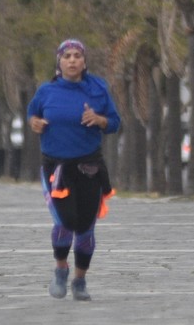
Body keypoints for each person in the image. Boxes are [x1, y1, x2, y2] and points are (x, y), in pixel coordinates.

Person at [28, 38, 121, 302]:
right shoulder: (46, 91)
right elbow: (32, 114)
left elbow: (115, 123)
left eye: (77, 56)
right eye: (66, 55)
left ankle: (80, 280)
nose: (72, 60)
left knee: (85, 227)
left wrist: (99, 119)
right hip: (56, 167)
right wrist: (35, 123)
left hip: (89, 166)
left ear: (84, 61)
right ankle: (61, 269)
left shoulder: (98, 89)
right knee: (65, 221)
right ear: (59, 61)